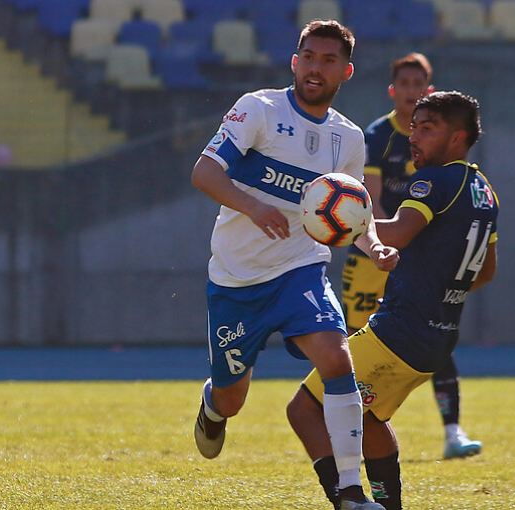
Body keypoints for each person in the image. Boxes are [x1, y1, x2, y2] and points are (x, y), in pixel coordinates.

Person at [190, 19, 399, 510]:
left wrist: (374, 247)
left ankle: (350, 492)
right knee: (232, 398)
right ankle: (212, 407)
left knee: (336, 357)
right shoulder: (257, 109)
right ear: (294, 61)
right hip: (236, 280)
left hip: (300, 269)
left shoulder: (347, 139)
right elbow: (204, 172)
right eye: (309, 57)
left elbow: (353, 216)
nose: (315, 68)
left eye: (328, 61)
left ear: (345, 72)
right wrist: (254, 207)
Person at [288, 91, 499, 510]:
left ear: (457, 138)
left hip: (399, 331)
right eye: (413, 127)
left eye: (427, 128)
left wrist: (335, 219)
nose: (413, 137)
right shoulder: (483, 190)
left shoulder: (433, 181)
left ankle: (346, 501)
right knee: (367, 417)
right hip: (439, 338)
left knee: (304, 410)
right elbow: (487, 271)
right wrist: (442, 293)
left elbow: (397, 234)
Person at [340, 53, 482, 460]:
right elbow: (371, 199)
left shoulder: (442, 145)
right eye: (403, 83)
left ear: (430, 90)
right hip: (377, 251)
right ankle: (353, 428)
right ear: (392, 90)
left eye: (418, 83)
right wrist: (383, 244)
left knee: (435, 339)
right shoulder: (378, 135)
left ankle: (452, 431)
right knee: (354, 344)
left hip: (419, 258)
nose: (410, 91)